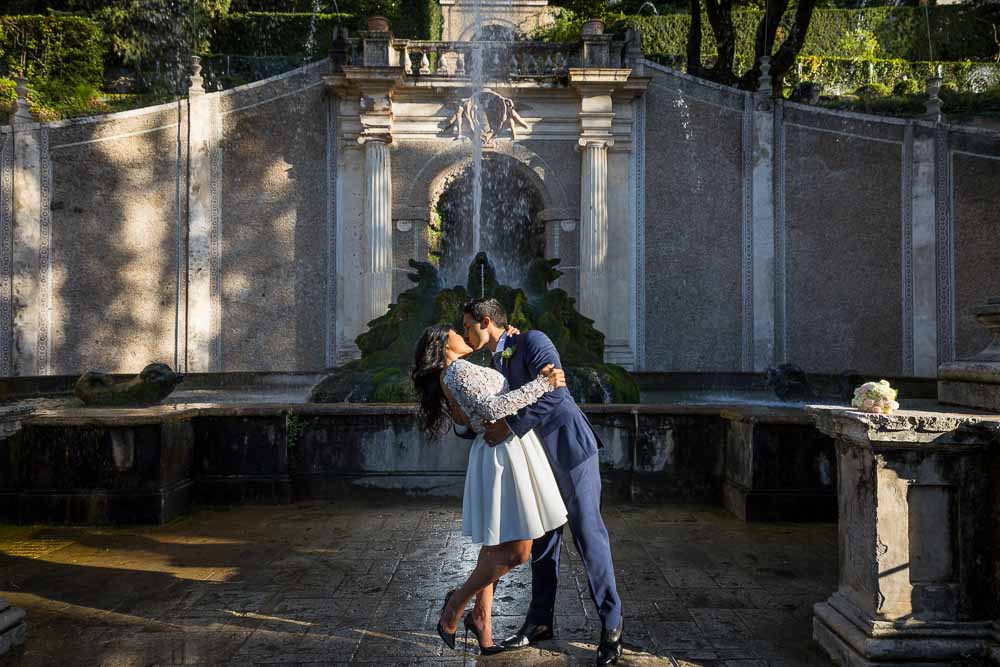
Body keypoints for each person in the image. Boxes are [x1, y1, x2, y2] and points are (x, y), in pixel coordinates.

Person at [461, 298, 625, 666]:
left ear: (486, 321)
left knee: (588, 535)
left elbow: (557, 392)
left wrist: (510, 425)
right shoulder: (493, 359)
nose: (466, 332)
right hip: (535, 462)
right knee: (543, 542)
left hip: (569, 450)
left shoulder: (533, 340)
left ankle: (612, 625)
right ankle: (539, 622)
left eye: (468, 325)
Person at [410, 324, 569, 655]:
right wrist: (543, 383)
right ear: (443, 344)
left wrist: (504, 347)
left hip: (503, 449)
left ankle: (482, 622)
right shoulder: (456, 370)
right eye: (457, 330)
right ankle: (454, 606)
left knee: (495, 545)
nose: (462, 333)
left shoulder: (453, 374)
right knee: (518, 551)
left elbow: (484, 404)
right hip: (504, 453)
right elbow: (495, 409)